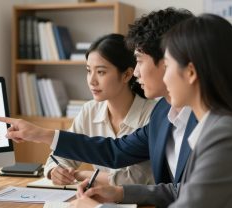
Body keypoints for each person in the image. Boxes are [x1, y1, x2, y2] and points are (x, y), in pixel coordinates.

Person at [63, 14, 232, 208]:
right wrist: (119, 192)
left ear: (191, 72)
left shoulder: (224, 135)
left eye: (169, 66)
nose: (164, 76)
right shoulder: (214, 126)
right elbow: (184, 191)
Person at [0, 8, 197, 186]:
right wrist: (41, 136)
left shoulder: (198, 121)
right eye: (88, 71)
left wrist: (84, 177)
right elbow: (114, 152)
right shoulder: (165, 113)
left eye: (101, 72)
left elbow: (145, 183)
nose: (136, 73)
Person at [45, 33, 156, 186]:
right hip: (99, 200)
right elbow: (61, 155)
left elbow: (138, 179)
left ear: (127, 75)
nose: (92, 81)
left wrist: (80, 174)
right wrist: (54, 171)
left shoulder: (153, 114)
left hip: (143, 205)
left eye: (101, 72)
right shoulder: (89, 110)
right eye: (89, 70)